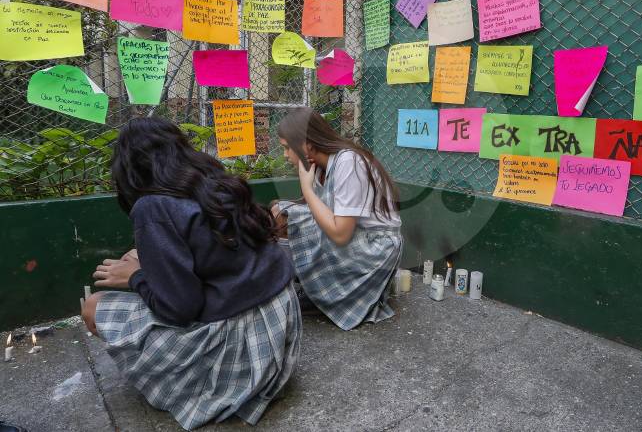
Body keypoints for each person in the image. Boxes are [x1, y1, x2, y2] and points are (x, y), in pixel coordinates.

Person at [80, 117, 300, 431]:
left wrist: (134, 277)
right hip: (280, 318)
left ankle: (196, 379)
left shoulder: (152, 206)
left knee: (93, 306)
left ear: (128, 168)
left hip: (242, 338)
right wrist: (144, 261)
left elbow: (180, 309)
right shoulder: (213, 180)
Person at [273, 108, 403, 331]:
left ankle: (312, 292)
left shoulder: (349, 162)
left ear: (307, 144)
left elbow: (341, 234)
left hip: (375, 248)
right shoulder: (322, 166)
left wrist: (307, 187)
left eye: (287, 148)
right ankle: (310, 289)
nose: (285, 156)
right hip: (357, 238)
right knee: (279, 211)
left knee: (287, 218)